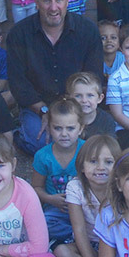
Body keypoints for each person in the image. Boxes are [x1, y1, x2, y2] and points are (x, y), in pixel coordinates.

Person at [6, 0, 103, 155]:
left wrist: (71, 114)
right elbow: (18, 83)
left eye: (58, 0)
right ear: (36, 3)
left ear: (67, 1)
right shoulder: (19, 34)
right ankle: (21, 131)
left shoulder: (87, 31)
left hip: (78, 104)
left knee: (92, 144)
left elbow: (93, 76)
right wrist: (45, 110)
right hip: (38, 106)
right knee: (43, 144)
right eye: (46, 1)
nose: (53, 7)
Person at [55, 135, 121, 257]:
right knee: (61, 252)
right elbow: (78, 229)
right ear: (82, 167)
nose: (100, 167)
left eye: (109, 162)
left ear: (118, 167)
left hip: (115, 246)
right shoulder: (75, 187)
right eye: (93, 161)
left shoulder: (121, 188)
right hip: (89, 243)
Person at [32, 98, 86, 244]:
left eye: (70, 128)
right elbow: (36, 187)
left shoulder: (87, 150)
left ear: (80, 128)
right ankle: (76, 236)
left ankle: (75, 236)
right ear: (49, 128)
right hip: (57, 209)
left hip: (85, 207)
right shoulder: (43, 156)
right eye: (57, 128)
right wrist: (50, 199)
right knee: (42, 224)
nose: (64, 134)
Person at [67, 71, 119, 140]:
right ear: (70, 98)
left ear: (100, 98)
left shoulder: (106, 121)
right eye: (78, 96)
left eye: (90, 95)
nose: (84, 100)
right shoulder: (65, 119)